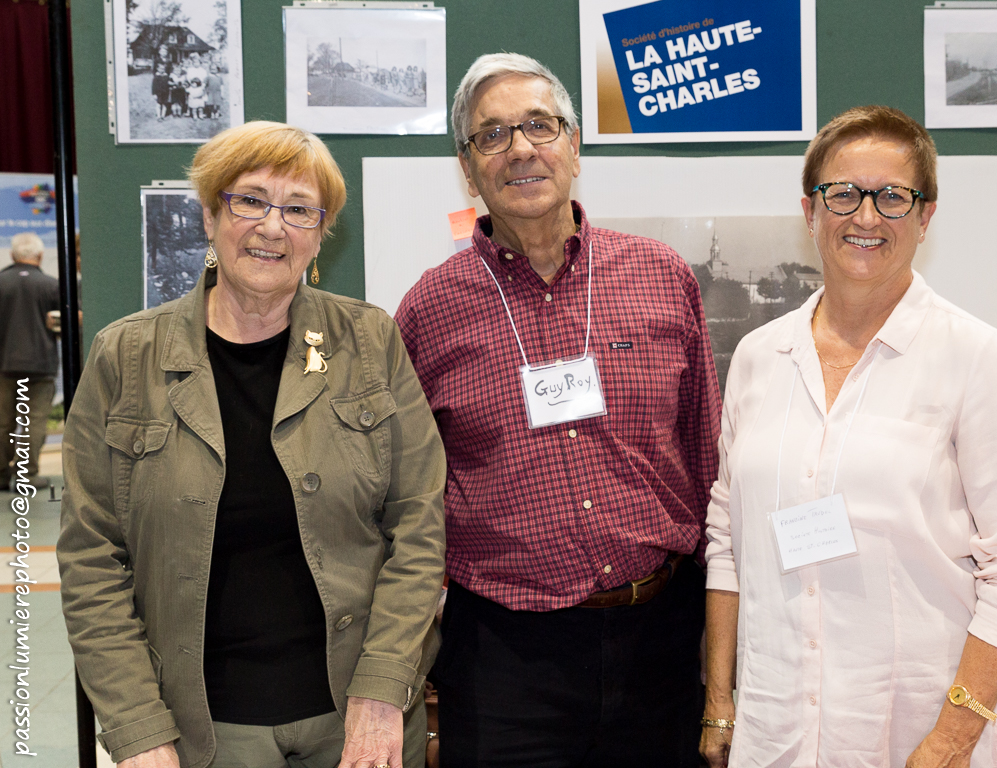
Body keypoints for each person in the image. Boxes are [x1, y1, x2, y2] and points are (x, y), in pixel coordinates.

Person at [58, 121, 446, 768]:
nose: (273, 227)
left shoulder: (369, 341)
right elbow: (92, 559)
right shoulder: (124, 356)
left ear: (320, 234)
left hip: (358, 717)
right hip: (200, 731)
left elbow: (420, 523)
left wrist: (384, 689)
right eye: (250, 200)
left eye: (299, 209)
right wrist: (137, 728)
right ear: (210, 216)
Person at [701, 106, 997, 768]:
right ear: (811, 212)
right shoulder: (758, 358)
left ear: (925, 217)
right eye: (843, 193)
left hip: (917, 730)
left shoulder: (974, 358)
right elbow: (727, 537)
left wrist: (952, 739)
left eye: (893, 196)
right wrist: (720, 702)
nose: (865, 217)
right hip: (776, 728)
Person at [396, 53, 722, 767]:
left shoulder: (661, 275)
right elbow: (406, 498)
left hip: (662, 640)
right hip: (504, 661)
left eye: (539, 126)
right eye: (492, 135)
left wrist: (720, 634)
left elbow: (707, 461)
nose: (520, 149)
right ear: (468, 168)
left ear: (573, 147)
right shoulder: (427, 311)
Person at [0, 232, 59, 491]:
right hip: (41, 366)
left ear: (12, 255)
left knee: (3, 423)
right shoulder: (52, 285)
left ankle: (1, 475)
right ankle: (28, 476)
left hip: (3, 366)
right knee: (33, 422)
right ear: (40, 256)